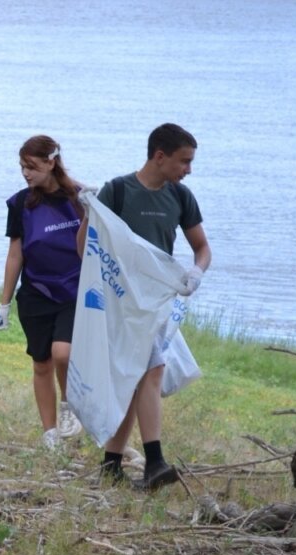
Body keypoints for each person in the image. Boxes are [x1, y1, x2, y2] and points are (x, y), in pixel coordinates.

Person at [94, 122, 212, 490]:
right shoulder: (117, 191)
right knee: (148, 371)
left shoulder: (181, 197)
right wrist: (90, 213)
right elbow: (88, 244)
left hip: (159, 302)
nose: (188, 170)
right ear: (159, 156)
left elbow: (202, 249)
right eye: (184, 161)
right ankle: (153, 461)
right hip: (122, 302)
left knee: (145, 373)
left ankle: (116, 465)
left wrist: (195, 273)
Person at [0, 135, 86, 449]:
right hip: (36, 294)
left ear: (52, 162)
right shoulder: (20, 203)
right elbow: (15, 254)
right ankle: (50, 435)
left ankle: (69, 407)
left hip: (74, 291)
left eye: (32, 166)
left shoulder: (80, 198)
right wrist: (4, 303)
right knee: (42, 362)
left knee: (64, 352)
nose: (26, 173)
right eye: (22, 167)